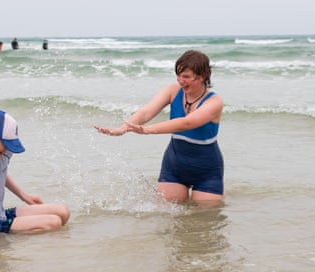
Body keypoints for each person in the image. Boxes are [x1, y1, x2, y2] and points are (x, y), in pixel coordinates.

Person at [94, 50, 224, 206]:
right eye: (178, 75)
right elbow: (147, 112)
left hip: (206, 170)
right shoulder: (173, 91)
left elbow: (186, 123)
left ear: (202, 76)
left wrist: (147, 130)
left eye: (186, 77)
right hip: (175, 166)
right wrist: (123, 128)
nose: (181, 81)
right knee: (167, 214)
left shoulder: (214, 102)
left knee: (205, 217)